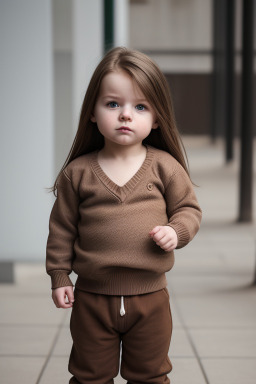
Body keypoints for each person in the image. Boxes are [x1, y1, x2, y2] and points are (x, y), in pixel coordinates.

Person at [46, 46, 202, 384]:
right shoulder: (78, 173)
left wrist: (177, 232)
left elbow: (188, 210)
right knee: (89, 376)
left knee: (150, 375)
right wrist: (59, 275)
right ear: (92, 112)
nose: (125, 115)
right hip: (91, 299)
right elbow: (62, 230)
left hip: (151, 300)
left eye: (140, 106)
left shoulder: (165, 167)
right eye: (113, 104)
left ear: (157, 118)